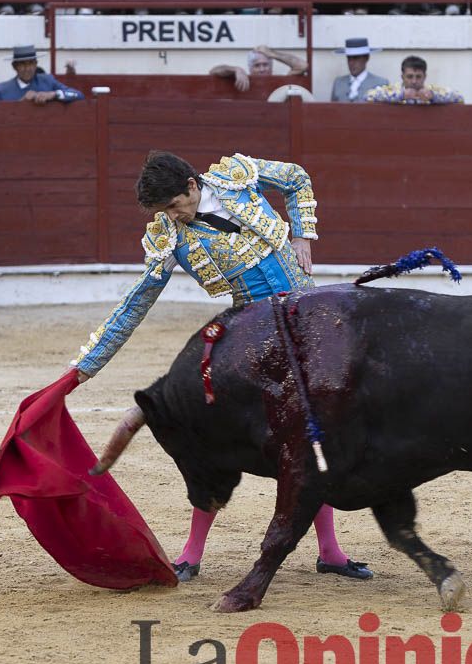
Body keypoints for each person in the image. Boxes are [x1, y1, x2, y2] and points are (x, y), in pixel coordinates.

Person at [70, 150, 372, 584]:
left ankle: (330, 551)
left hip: (309, 322)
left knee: (312, 437)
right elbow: (135, 302)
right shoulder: (170, 237)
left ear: (192, 186)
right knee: (214, 441)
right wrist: (86, 366)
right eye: (164, 212)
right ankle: (191, 553)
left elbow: (296, 178)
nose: (174, 218)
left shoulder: (237, 177)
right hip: (254, 336)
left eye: (175, 206)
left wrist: (303, 236)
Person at [0, 45, 85, 104]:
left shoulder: (48, 81)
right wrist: (21, 103)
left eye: (31, 63)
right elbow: (0, 120)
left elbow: (78, 95)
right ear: (14, 66)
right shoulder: (1, 90)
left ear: (36, 64)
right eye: (22, 64)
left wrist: (53, 94)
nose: (28, 68)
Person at [366, 55, 464, 104]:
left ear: (425, 77)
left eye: (418, 77)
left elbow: (459, 98)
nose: (414, 81)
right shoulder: (394, 90)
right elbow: (368, 96)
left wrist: (433, 96)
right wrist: (401, 95)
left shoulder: (432, 91)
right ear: (402, 77)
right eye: (410, 76)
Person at [210, 46, 307, 92]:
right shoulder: (242, 80)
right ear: (250, 68)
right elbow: (213, 72)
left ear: (271, 67)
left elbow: (303, 66)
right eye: (257, 65)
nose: (262, 69)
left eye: (265, 65)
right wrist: (236, 69)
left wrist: (273, 54)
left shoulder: (279, 83)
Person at [330, 37, 389, 103]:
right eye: (349, 58)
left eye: (356, 58)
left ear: (366, 58)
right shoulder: (339, 83)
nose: (351, 63)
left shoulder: (380, 83)